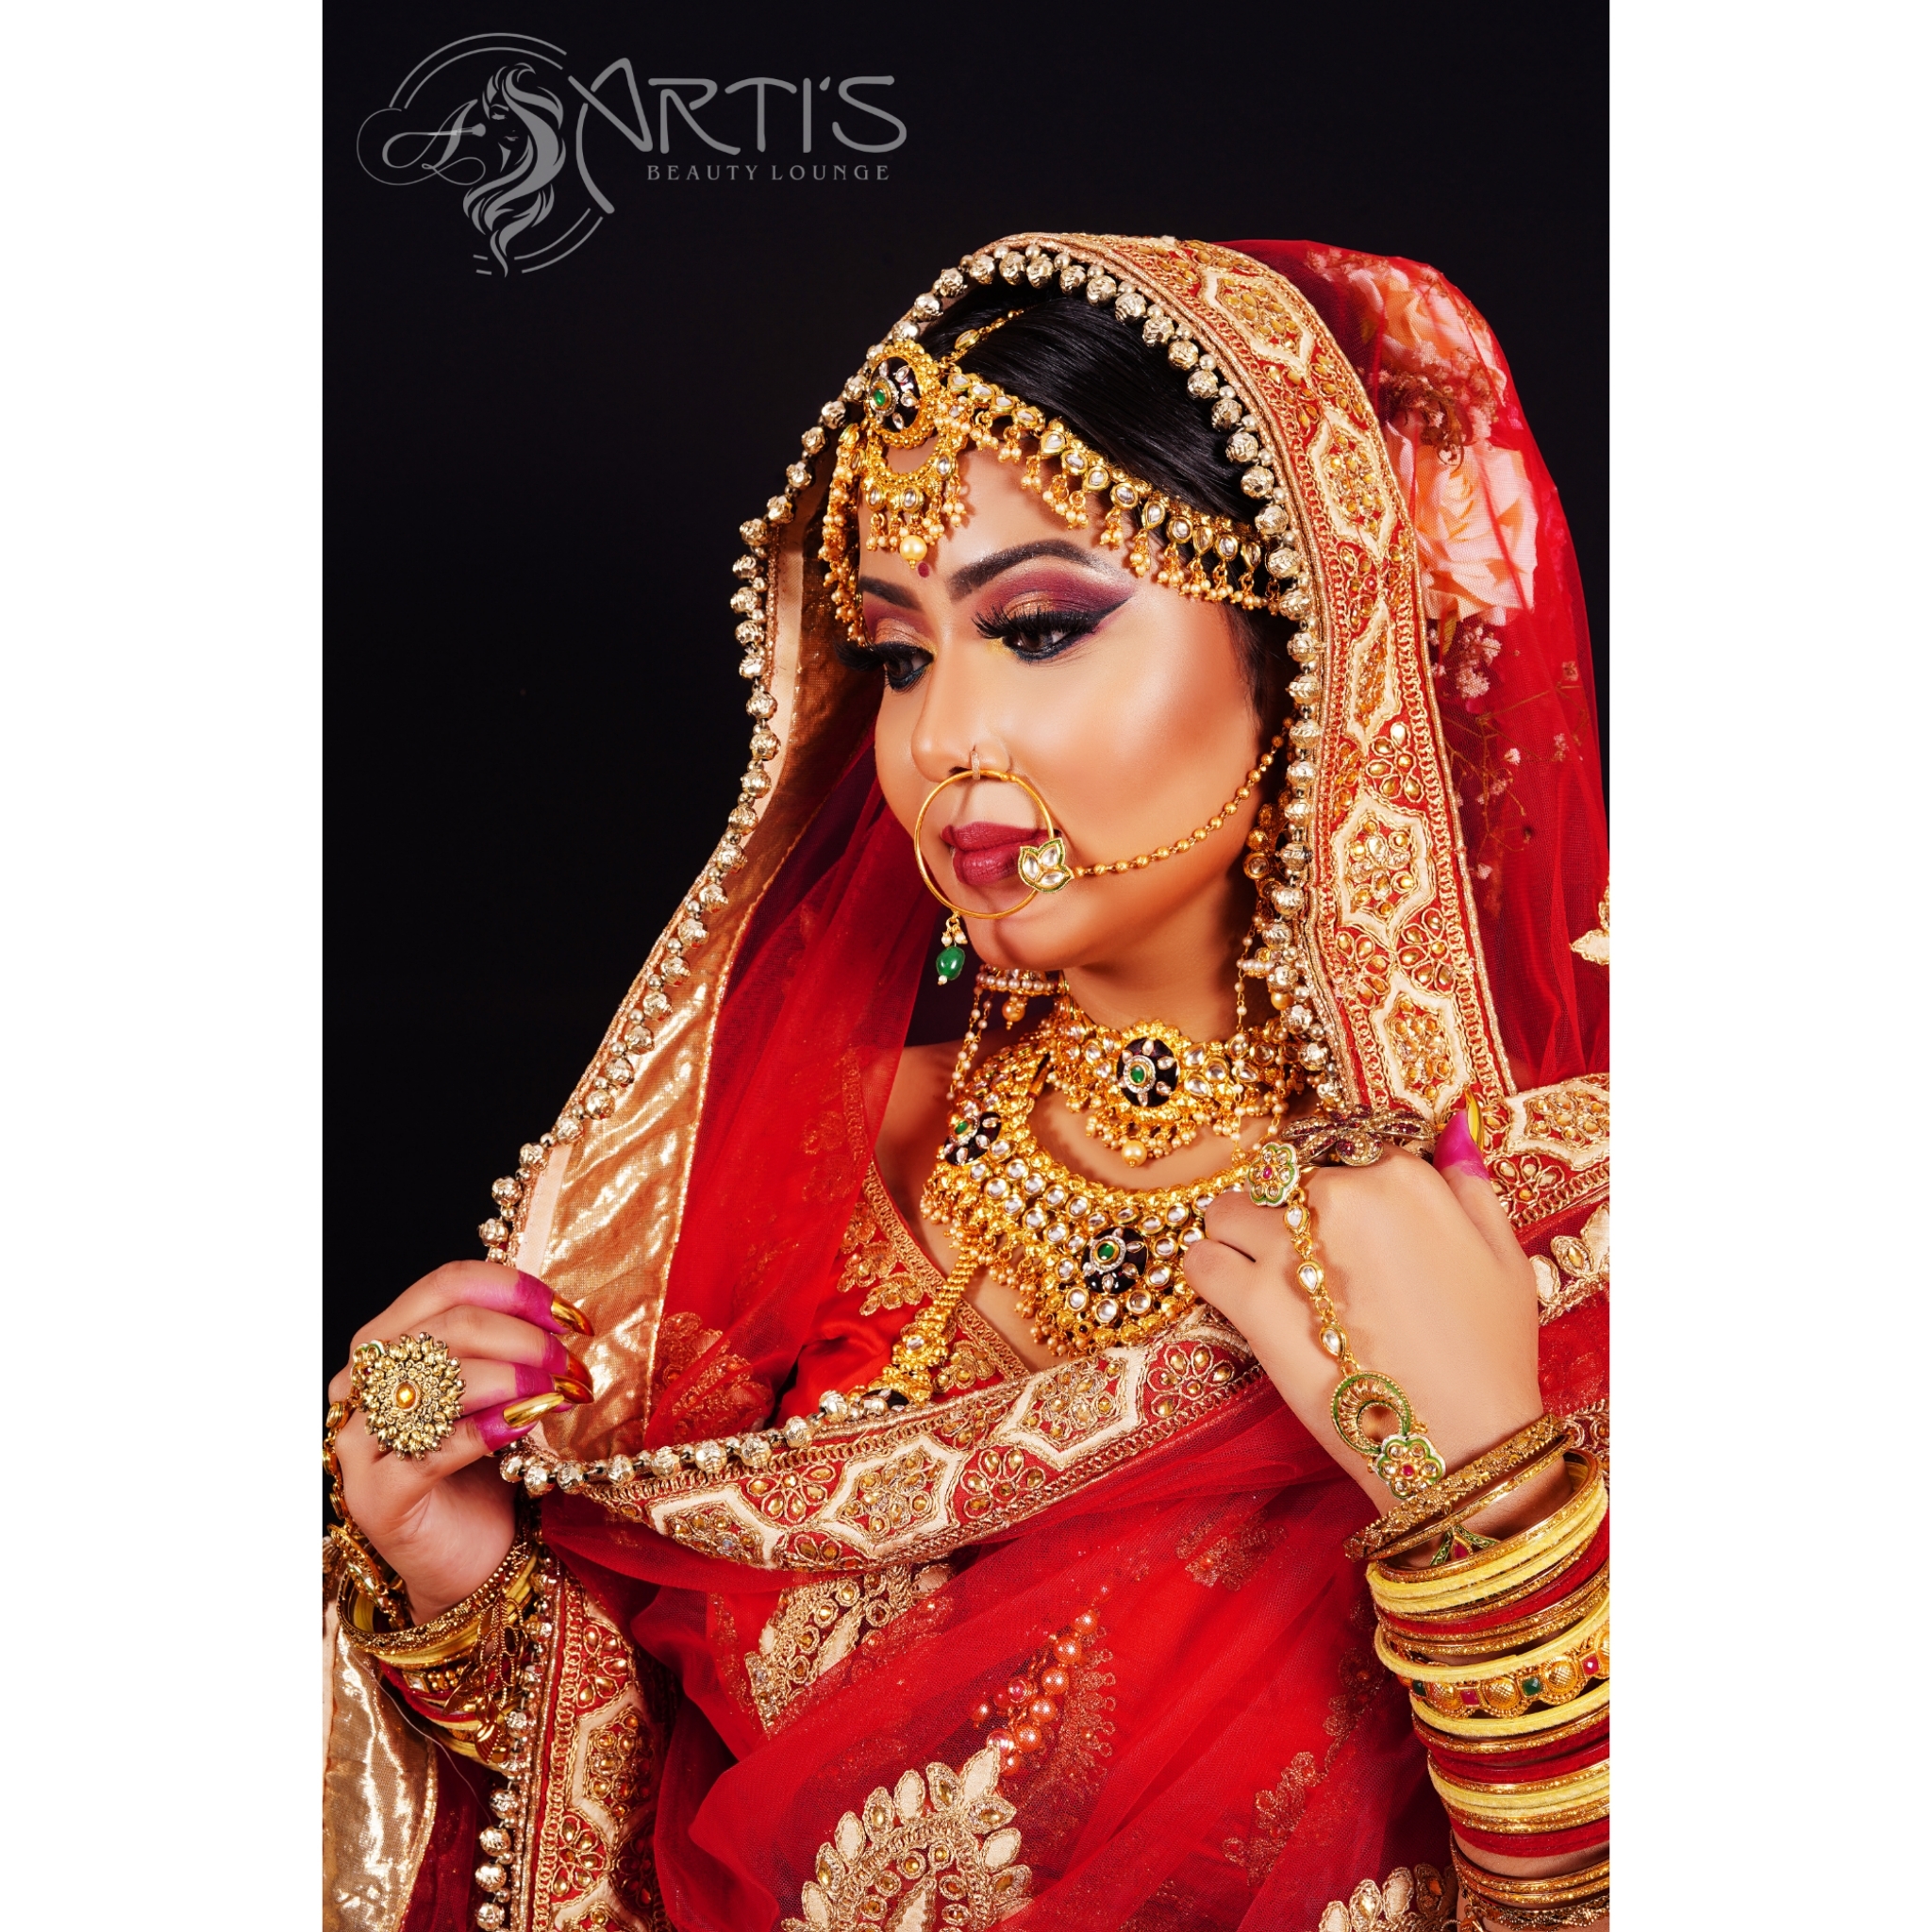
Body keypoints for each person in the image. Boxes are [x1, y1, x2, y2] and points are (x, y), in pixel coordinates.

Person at [324, 234, 1609, 1932]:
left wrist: (1493, 1505)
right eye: (903, 656)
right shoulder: (812, 1163)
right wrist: (467, 1590)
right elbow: (700, 1828)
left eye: (1041, 626)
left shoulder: (1549, 1241)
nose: (940, 744)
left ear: (1315, 644)